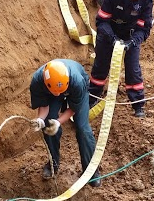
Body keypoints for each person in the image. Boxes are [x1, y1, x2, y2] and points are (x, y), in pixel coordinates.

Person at [89, 0, 153, 119]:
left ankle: (138, 105)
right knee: (101, 66)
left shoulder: (146, 1)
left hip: (131, 37)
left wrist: (133, 42)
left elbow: (144, 29)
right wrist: (112, 38)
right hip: (108, 35)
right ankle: (92, 98)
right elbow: (101, 21)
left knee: (133, 69)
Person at [30, 59, 101, 187]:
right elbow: (44, 105)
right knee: (47, 124)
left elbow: (74, 108)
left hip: (76, 89)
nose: (58, 94)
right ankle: (53, 164)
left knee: (82, 127)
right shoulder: (37, 82)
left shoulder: (77, 81)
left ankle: (91, 171)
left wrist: (58, 122)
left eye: (60, 91)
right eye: (55, 92)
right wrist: (40, 119)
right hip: (52, 90)